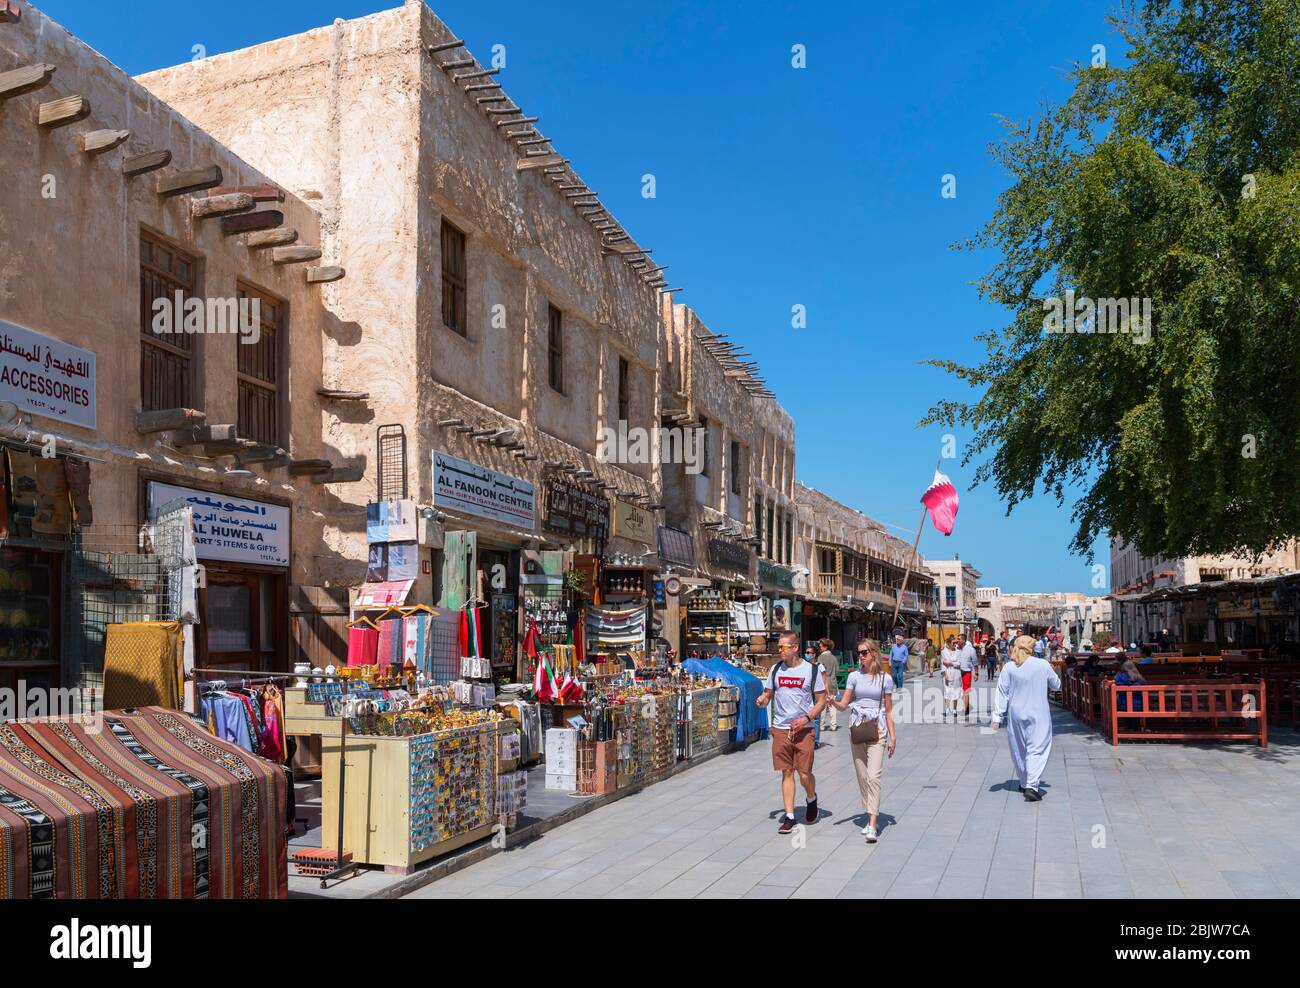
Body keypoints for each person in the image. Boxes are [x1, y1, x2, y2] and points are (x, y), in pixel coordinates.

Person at [755, 630, 827, 834]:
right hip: (781, 729)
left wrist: (807, 718)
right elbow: (768, 693)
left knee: (804, 774)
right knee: (787, 772)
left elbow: (821, 701)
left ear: (795, 648)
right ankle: (790, 816)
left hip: (804, 729)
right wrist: (763, 700)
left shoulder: (811, 671)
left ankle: (811, 798)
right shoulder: (776, 670)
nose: (779, 651)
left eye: (783, 647)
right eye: (778, 647)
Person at [831, 638, 895, 842]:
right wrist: (833, 702)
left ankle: (873, 825)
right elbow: (844, 704)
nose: (861, 656)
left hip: (878, 729)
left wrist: (893, 737)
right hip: (857, 728)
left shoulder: (885, 679)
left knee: (874, 775)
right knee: (862, 776)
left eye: (864, 652)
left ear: (874, 653)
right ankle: (869, 816)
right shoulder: (854, 677)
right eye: (859, 652)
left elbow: (889, 710)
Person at [991, 635, 1061, 801]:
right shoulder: (1042, 665)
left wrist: (997, 716)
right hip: (1038, 713)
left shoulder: (1009, 667)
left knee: (1019, 748)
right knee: (1037, 748)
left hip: (1016, 713)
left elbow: (1002, 691)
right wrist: (1053, 670)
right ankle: (1031, 785)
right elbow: (1057, 685)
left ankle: (1024, 782)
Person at [817, 639, 841, 732]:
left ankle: (822, 726)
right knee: (832, 705)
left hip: (823, 683)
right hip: (833, 683)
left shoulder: (820, 658)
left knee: (822, 705)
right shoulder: (834, 658)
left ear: (826, 647)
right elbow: (837, 671)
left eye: (821, 646)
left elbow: (819, 671)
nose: (819, 647)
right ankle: (833, 725)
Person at [957, 633, 980, 720]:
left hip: (966, 672)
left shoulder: (971, 650)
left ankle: (966, 709)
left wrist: (976, 673)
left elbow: (975, 663)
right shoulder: (956, 648)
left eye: (959, 639)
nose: (957, 640)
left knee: (966, 691)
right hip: (957, 672)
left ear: (963, 640)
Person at [941, 637, 963, 720]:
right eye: (953, 643)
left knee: (956, 691)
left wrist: (950, 662)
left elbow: (959, 663)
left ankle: (954, 709)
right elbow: (942, 663)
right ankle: (947, 708)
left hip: (956, 673)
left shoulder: (958, 652)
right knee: (947, 690)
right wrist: (945, 673)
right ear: (949, 643)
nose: (955, 644)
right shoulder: (943, 652)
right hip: (947, 672)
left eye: (956, 643)